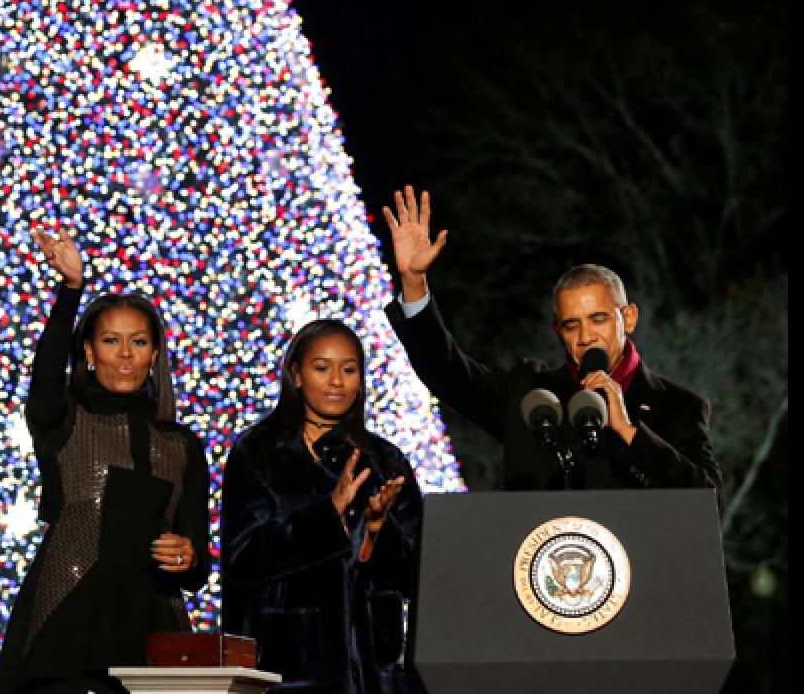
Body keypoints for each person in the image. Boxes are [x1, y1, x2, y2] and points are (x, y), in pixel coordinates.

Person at [382, 184, 721, 492]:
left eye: (599, 319)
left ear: (628, 318)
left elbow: (708, 503)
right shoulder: (530, 395)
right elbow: (447, 373)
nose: (587, 336)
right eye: (572, 325)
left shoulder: (679, 406)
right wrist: (413, 282)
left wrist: (629, 432)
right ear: (558, 331)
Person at [0, 225, 211, 694]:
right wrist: (71, 290)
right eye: (111, 341)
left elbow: (196, 565)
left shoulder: (182, 447)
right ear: (89, 353)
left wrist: (189, 557)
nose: (126, 356)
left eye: (139, 342)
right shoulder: (64, 421)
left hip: (155, 645)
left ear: (155, 353)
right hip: (66, 639)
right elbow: (48, 376)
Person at [221, 319, 423, 693]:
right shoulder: (259, 453)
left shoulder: (386, 461)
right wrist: (327, 514)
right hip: (286, 672)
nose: (336, 381)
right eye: (322, 368)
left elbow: (418, 576)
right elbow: (242, 559)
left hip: (372, 676)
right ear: (296, 375)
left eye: (348, 370)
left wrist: (377, 529)